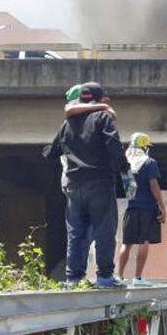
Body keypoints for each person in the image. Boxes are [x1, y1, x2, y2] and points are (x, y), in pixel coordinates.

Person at [43, 82, 130, 289]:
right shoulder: (103, 117)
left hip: (74, 185)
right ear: (102, 99)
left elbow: (51, 152)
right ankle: (105, 278)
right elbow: (114, 148)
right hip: (100, 182)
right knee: (104, 230)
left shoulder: (66, 125)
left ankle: (73, 278)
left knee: (76, 232)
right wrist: (125, 172)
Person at [117, 132, 166, 285]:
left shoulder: (126, 164)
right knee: (144, 241)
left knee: (126, 243)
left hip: (131, 208)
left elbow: (129, 190)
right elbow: (154, 185)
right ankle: (138, 278)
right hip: (148, 209)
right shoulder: (149, 163)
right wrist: (162, 206)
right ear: (144, 147)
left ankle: (119, 276)